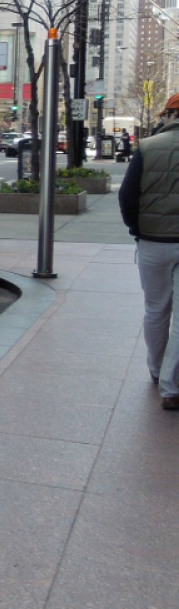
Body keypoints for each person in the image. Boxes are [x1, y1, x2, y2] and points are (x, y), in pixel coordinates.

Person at [119, 94, 179, 410]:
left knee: (156, 308)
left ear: (171, 114)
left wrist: (137, 230)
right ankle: (172, 387)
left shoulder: (148, 147)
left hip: (154, 241)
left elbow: (128, 196)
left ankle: (157, 372)